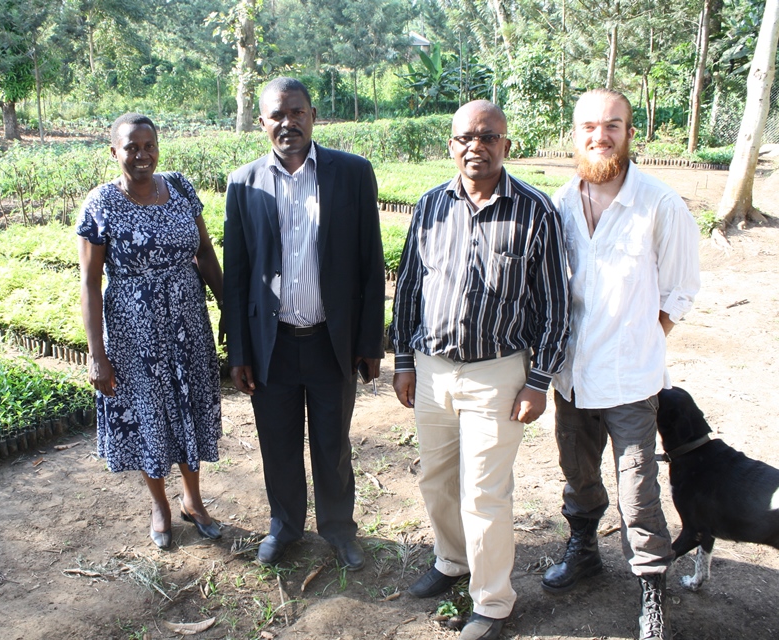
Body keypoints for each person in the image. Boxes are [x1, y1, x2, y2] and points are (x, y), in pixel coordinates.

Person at [390, 100, 569, 640]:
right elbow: (409, 289)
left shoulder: (536, 211)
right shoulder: (428, 206)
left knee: (485, 493)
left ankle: (492, 603)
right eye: (466, 136)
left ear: (506, 145)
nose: (477, 145)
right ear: (451, 145)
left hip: (499, 374)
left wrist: (539, 381)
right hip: (432, 369)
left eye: (489, 136)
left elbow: (557, 303)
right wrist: (403, 361)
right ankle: (452, 560)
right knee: (436, 479)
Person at [542, 89, 700, 640]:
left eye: (613, 125)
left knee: (638, 490)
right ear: (575, 132)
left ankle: (652, 590)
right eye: (589, 125)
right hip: (571, 377)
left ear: (632, 132)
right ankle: (584, 550)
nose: (600, 136)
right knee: (578, 475)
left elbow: (679, 293)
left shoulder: (659, 204)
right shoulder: (559, 203)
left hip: (632, 382)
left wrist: (638, 342)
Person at [223, 77, 386, 570]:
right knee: (278, 444)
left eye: (296, 112)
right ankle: (285, 527)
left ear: (313, 115)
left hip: (329, 341)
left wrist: (369, 342)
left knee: (333, 445)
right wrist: (239, 352)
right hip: (273, 344)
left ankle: (339, 530)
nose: (287, 123)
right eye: (277, 115)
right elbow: (238, 274)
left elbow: (370, 262)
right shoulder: (243, 182)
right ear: (263, 123)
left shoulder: (352, 173)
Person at [76, 113, 225, 550]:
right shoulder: (101, 203)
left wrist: (229, 309)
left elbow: (204, 252)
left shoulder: (178, 187)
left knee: (189, 405)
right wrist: (96, 354)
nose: (142, 155)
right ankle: (160, 504)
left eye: (149, 145)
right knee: (150, 413)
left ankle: (193, 501)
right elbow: (89, 282)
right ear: (114, 152)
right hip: (134, 331)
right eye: (131, 147)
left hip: (187, 323)